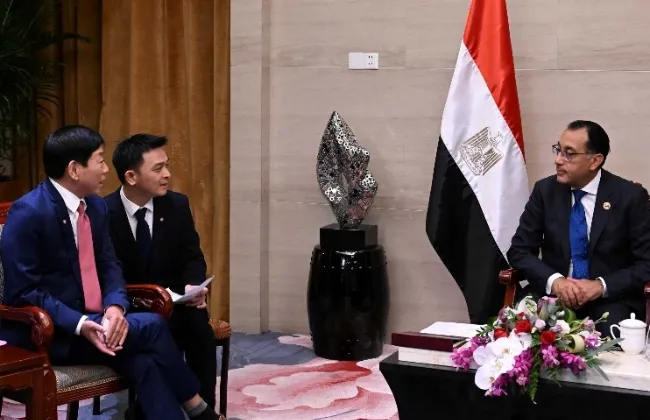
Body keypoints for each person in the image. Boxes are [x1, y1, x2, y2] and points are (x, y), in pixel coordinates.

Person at [0, 125, 221, 420]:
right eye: (100, 160)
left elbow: (109, 265)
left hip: (97, 322)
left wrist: (115, 306)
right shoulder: (29, 213)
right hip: (52, 332)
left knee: (144, 362)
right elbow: (23, 292)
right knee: (153, 326)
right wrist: (81, 324)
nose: (106, 169)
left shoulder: (94, 206)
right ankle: (199, 410)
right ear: (74, 170)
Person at [104, 133, 217, 410]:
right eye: (158, 169)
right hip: (130, 305)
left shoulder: (176, 205)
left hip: (175, 300)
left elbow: (192, 256)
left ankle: (204, 408)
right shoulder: (103, 212)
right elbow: (104, 271)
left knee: (198, 326)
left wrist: (192, 285)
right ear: (131, 177)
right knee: (155, 332)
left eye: (167, 166)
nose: (167, 174)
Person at [507, 120, 650, 336]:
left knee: (615, 336)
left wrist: (601, 285)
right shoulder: (545, 191)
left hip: (609, 301)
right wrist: (555, 281)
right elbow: (519, 251)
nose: (558, 160)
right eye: (558, 150)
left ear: (595, 161)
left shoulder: (630, 197)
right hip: (552, 296)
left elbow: (646, 262)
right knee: (518, 330)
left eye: (569, 153)